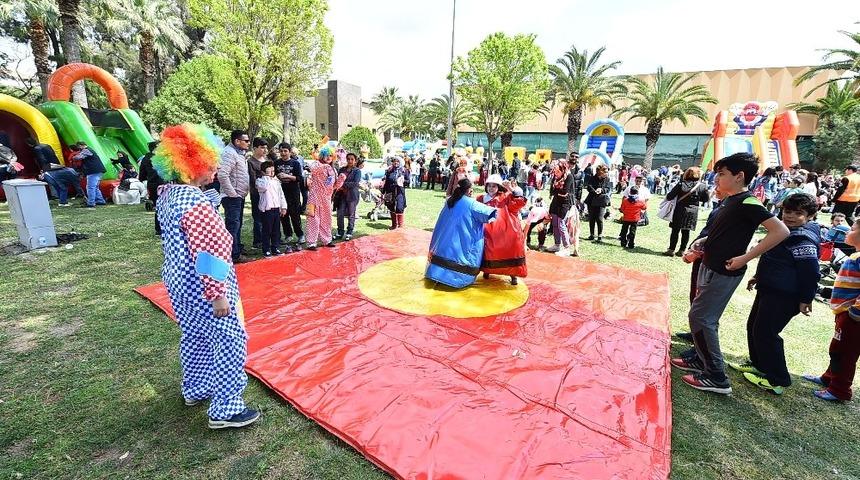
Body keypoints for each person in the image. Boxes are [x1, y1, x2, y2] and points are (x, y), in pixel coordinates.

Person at [153, 123, 259, 429]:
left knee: (195, 337)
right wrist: (218, 294)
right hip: (204, 288)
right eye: (209, 167)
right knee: (230, 340)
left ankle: (196, 388)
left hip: (179, 283)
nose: (213, 172)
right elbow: (208, 253)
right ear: (190, 167)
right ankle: (226, 409)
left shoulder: (168, 196)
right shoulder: (195, 203)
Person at [671, 153, 790, 395]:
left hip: (724, 271)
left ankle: (716, 376)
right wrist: (704, 241)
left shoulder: (748, 202)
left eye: (722, 173)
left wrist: (745, 258)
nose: (717, 177)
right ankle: (700, 357)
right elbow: (724, 230)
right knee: (700, 317)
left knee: (702, 319)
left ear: (739, 176)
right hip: (710, 266)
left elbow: (780, 231)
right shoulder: (729, 200)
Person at [726, 193, 820, 395]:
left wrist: (806, 298)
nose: (791, 216)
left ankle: (777, 379)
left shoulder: (803, 238)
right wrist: (758, 276)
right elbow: (772, 257)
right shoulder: (783, 231)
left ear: (811, 216)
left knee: (766, 333)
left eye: (799, 213)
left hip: (785, 295)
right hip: (768, 288)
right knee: (753, 326)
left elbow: (810, 272)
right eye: (787, 211)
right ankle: (759, 365)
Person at [803, 219, 860, 402]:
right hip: (844, 312)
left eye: (852, 229)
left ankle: (840, 390)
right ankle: (829, 377)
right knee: (837, 348)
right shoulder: (855, 256)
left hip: (854, 317)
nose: (847, 232)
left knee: (845, 353)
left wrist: (855, 312)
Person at [425, 178, 497, 288]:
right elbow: (490, 214)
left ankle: (438, 274)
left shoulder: (450, 201)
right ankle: (455, 277)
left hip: (439, 253)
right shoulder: (472, 204)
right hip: (459, 268)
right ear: (470, 190)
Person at [479, 174, 527, 285]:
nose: (491, 188)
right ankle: (487, 271)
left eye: (494, 186)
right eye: (489, 186)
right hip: (488, 232)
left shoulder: (505, 197)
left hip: (506, 231)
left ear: (499, 187)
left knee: (510, 251)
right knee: (488, 252)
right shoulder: (481, 199)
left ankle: (513, 275)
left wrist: (510, 188)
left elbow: (519, 203)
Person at [218, 130, 251, 263]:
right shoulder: (229, 153)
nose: (248, 143)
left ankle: (237, 248)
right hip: (232, 197)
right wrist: (233, 194)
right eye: (246, 141)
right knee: (233, 225)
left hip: (238, 196)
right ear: (237, 141)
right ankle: (233, 255)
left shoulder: (238, 153)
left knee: (237, 224)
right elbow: (222, 175)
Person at [305, 146, 344, 250]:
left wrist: (341, 180)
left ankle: (326, 240)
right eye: (326, 155)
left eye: (331, 155)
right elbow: (312, 169)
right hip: (313, 198)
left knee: (327, 220)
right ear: (322, 155)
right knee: (312, 219)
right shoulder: (316, 164)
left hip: (326, 199)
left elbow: (334, 186)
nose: (329, 157)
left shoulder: (333, 169)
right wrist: (323, 166)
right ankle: (311, 242)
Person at [664, 167, 710, 256]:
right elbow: (706, 199)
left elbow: (670, 196)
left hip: (679, 209)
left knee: (675, 231)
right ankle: (682, 250)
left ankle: (671, 250)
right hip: (692, 211)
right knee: (686, 231)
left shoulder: (681, 184)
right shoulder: (702, 186)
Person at [27, 138, 84, 206]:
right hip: (56, 165)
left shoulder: (37, 149)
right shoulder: (46, 145)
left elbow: (42, 159)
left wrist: (44, 168)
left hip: (49, 167)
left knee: (55, 182)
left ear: (30, 144)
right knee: (61, 184)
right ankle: (64, 199)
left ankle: (56, 196)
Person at [255, 160, 289, 257]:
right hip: (267, 209)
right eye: (269, 171)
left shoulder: (276, 181)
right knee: (267, 230)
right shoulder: (260, 181)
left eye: (273, 171)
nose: (271, 174)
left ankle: (275, 247)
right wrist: (266, 176)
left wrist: (283, 207)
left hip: (276, 208)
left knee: (276, 230)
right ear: (263, 172)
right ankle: (266, 249)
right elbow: (264, 187)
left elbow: (281, 194)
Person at [274, 143, 304, 247]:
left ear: (290, 152)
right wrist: (277, 177)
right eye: (281, 151)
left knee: (295, 215)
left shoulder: (295, 163)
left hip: (293, 192)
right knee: (284, 214)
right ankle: (288, 235)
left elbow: (300, 178)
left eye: (285, 151)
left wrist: (288, 176)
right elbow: (272, 176)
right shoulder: (276, 163)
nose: (283, 153)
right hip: (281, 193)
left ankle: (300, 235)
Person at [548, 160, 575, 255]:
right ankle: (557, 244)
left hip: (565, 204)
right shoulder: (555, 177)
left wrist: (557, 190)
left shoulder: (569, 176)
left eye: (558, 171)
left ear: (563, 169)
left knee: (561, 224)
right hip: (556, 202)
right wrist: (557, 191)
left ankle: (567, 247)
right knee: (554, 224)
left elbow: (564, 191)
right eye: (555, 171)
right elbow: (552, 191)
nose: (556, 173)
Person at [70, 142, 106, 208]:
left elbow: (77, 158)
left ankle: (91, 203)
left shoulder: (86, 150)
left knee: (90, 187)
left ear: (81, 146)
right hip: (99, 170)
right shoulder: (90, 149)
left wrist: (73, 155)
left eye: (78, 147)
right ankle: (100, 201)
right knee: (95, 187)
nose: (78, 149)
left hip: (93, 171)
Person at [247, 138, 268, 250]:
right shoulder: (250, 162)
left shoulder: (267, 160)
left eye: (266, 148)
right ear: (255, 148)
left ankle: (269, 238)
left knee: (268, 217)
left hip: (269, 194)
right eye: (262, 147)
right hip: (257, 194)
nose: (265, 150)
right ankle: (258, 241)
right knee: (258, 218)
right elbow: (253, 179)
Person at [336, 152, 362, 240]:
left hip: (352, 195)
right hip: (341, 195)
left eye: (352, 159)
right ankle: (340, 232)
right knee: (340, 213)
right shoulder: (341, 169)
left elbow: (355, 183)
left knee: (351, 214)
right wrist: (339, 185)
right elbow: (338, 180)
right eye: (348, 159)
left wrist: (343, 185)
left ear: (355, 161)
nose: (350, 161)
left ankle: (349, 231)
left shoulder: (357, 171)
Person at [584, 164, 611, 242]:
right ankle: (592, 234)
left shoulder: (607, 179)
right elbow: (589, 186)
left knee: (599, 218)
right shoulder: (593, 178)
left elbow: (608, 188)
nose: (606, 173)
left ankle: (600, 235)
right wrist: (594, 191)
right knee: (591, 218)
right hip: (591, 200)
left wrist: (601, 190)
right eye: (605, 172)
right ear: (600, 172)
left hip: (601, 201)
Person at [382, 156, 408, 229]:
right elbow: (386, 182)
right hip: (390, 191)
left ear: (400, 162)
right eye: (394, 161)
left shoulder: (404, 170)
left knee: (400, 207)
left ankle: (400, 225)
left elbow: (408, 181)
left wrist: (403, 181)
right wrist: (383, 192)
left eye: (397, 161)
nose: (396, 163)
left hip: (400, 192)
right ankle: (394, 225)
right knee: (391, 207)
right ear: (392, 162)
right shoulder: (389, 171)